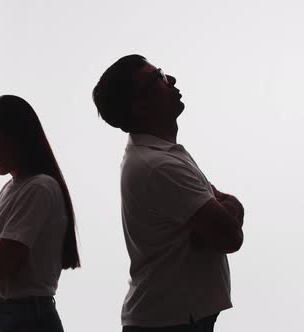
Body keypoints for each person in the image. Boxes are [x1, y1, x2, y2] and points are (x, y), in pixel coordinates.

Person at [92, 55, 244, 332]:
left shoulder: (161, 156)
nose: (171, 79)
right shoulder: (160, 166)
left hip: (173, 318)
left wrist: (222, 212)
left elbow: (220, 225)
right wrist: (228, 208)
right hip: (170, 322)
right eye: (158, 78)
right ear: (140, 105)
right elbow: (230, 236)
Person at [0, 95, 80, 332]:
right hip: (9, 318)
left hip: (25, 320)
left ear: (15, 139)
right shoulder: (12, 188)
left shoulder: (38, 188)